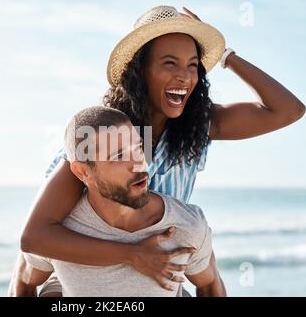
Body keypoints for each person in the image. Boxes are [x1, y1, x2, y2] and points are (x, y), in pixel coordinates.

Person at [14, 5, 305, 296]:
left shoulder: (198, 126)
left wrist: (227, 56)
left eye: (193, 65)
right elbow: (36, 238)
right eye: (170, 63)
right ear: (140, 70)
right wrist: (132, 254)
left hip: (160, 275)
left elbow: (288, 110)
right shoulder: (104, 135)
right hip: (83, 274)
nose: (184, 77)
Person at [14, 106, 226, 297]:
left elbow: (210, 286)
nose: (138, 164)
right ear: (82, 171)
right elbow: (23, 282)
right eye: (118, 156)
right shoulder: (61, 232)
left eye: (138, 148)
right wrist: (131, 255)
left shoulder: (185, 226)